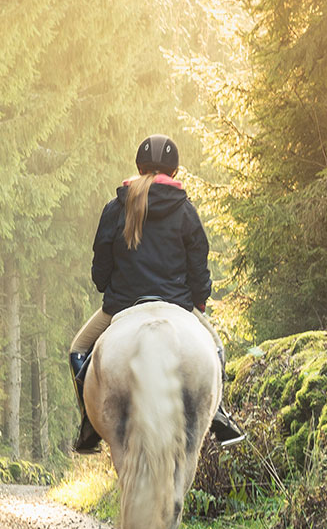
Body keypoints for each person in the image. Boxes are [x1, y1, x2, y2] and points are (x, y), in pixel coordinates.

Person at [68, 134, 244, 454]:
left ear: (139, 166)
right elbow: (199, 268)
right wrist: (198, 300)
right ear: (174, 171)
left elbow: (100, 273)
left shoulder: (115, 207)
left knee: (78, 351)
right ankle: (218, 415)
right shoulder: (185, 210)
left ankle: (88, 426)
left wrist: (115, 289)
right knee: (216, 349)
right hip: (177, 304)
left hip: (122, 304)